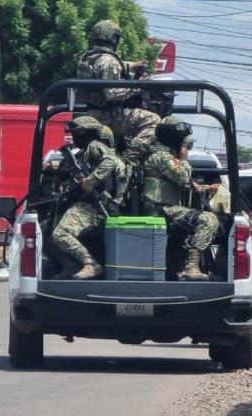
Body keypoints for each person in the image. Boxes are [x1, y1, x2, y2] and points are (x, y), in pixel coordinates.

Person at [142, 116, 220, 281]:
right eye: (184, 141)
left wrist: (207, 189)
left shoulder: (165, 156)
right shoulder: (161, 156)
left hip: (166, 210)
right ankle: (191, 267)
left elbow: (191, 185)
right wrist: (184, 158)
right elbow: (183, 177)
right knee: (208, 220)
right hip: (160, 211)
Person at [77, 20, 160, 167]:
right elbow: (112, 93)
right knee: (154, 120)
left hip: (91, 114)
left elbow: (107, 68)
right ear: (113, 38)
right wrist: (137, 86)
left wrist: (133, 65)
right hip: (109, 118)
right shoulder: (109, 61)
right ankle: (128, 160)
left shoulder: (88, 58)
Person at [51, 116, 121, 279]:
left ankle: (90, 264)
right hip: (85, 202)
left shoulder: (95, 146)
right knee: (50, 231)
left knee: (60, 234)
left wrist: (91, 180)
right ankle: (71, 265)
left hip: (95, 204)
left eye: (76, 134)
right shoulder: (83, 153)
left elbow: (110, 160)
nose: (74, 138)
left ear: (85, 133)